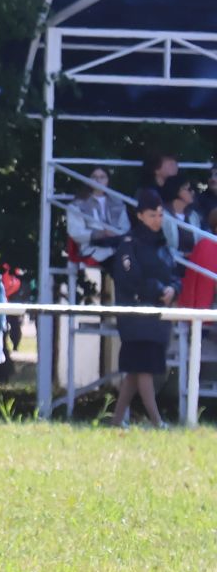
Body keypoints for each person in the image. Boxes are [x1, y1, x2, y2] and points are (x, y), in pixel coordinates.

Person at [109, 190, 179, 427]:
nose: (157, 220)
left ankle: (117, 420)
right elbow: (132, 277)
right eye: (152, 215)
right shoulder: (130, 244)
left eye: (160, 214)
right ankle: (157, 421)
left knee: (135, 371)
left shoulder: (162, 244)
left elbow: (174, 273)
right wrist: (160, 289)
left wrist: (173, 289)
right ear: (139, 215)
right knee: (144, 368)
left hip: (157, 316)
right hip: (136, 316)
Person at [66, 167, 128, 263]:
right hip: (93, 248)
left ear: (108, 180)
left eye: (102, 177)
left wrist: (114, 233)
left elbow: (125, 227)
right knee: (123, 260)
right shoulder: (77, 204)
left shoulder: (117, 202)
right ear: (88, 180)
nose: (98, 180)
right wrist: (100, 234)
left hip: (116, 243)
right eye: (94, 177)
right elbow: (76, 232)